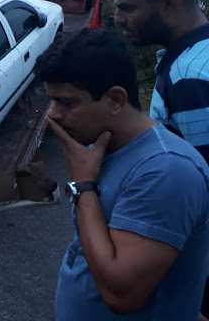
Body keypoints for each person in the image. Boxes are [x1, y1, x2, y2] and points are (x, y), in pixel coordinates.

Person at [35, 28, 209, 320]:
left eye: (66, 102)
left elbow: (121, 295)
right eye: (51, 100)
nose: (51, 114)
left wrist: (84, 187)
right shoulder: (99, 147)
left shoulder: (167, 171)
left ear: (115, 100)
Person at [111, 0, 209, 317]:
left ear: (168, 2)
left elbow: (200, 186)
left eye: (128, 8)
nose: (118, 19)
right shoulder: (197, 57)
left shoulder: (189, 78)